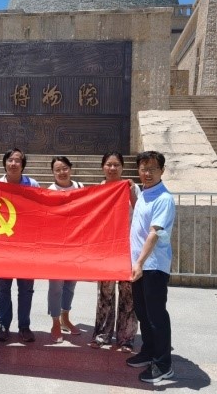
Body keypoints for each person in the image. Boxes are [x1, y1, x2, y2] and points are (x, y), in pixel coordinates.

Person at [126, 151, 175, 383]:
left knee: (156, 315)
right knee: (143, 313)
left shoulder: (164, 198)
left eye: (153, 169)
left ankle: (163, 364)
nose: (147, 173)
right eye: (144, 168)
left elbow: (154, 233)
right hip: (139, 266)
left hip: (153, 266)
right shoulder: (145, 193)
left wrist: (139, 262)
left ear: (162, 171)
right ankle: (148, 351)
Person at [90, 151, 138, 352]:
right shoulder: (98, 190)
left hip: (127, 249)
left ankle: (126, 338)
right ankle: (102, 334)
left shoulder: (130, 187)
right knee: (105, 295)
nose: (112, 168)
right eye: (108, 164)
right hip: (106, 250)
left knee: (128, 295)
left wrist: (131, 192)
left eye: (116, 164)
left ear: (122, 167)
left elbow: (140, 213)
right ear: (103, 167)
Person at [0, 148, 40, 343]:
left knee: (26, 289)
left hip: (26, 247)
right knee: (3, 289)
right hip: (3, 247)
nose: (13, 164)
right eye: (10, 160)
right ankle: (4, 325)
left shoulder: (32, 184)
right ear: (5, 163)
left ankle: (24, 326)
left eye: (17, 160)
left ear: (23, 165)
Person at [46, 156, 83, 343]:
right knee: (56, 287)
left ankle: (65, 318)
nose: (62, 172)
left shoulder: (80, 187)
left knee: (70, 284)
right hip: (56, 247)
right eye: (57, 170)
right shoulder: (49, 191)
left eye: (65, 168)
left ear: (70, 169)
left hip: (75, 245)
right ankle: (55, 322)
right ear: (53, 173)